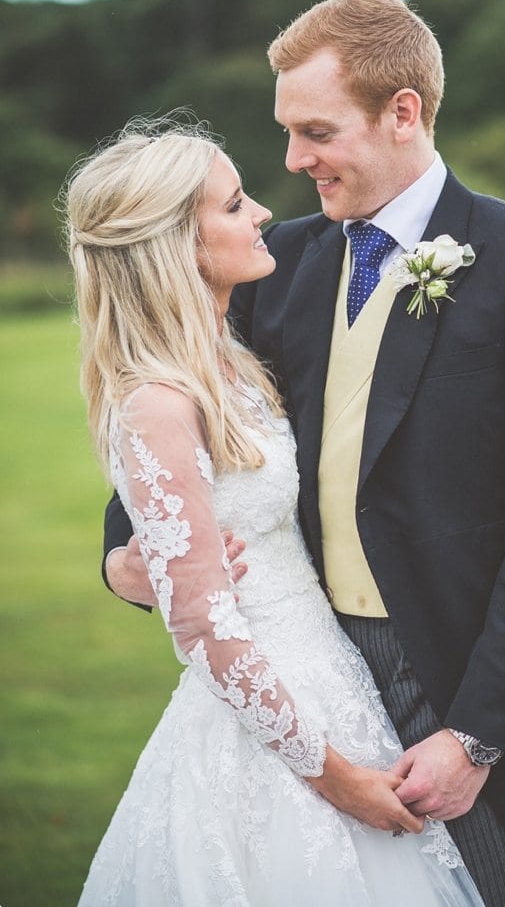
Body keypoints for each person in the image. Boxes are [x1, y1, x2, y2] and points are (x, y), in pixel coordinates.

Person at [100, 0, 505, 907]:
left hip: (459, 666)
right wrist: (123, 555)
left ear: (403, 113)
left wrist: (478, 734)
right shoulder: (276, 262)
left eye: (316, 131)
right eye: (287, 131)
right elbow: (188, 428)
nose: (294, 159)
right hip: (301, 662)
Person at [68, 120, 483, 906]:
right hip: (267, 715)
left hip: (328, 670)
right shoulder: (158, 400)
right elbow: (204, 627)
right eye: (233, 205)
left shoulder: (231, 361)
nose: (263, 211)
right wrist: (336, 778)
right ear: (179, 247)